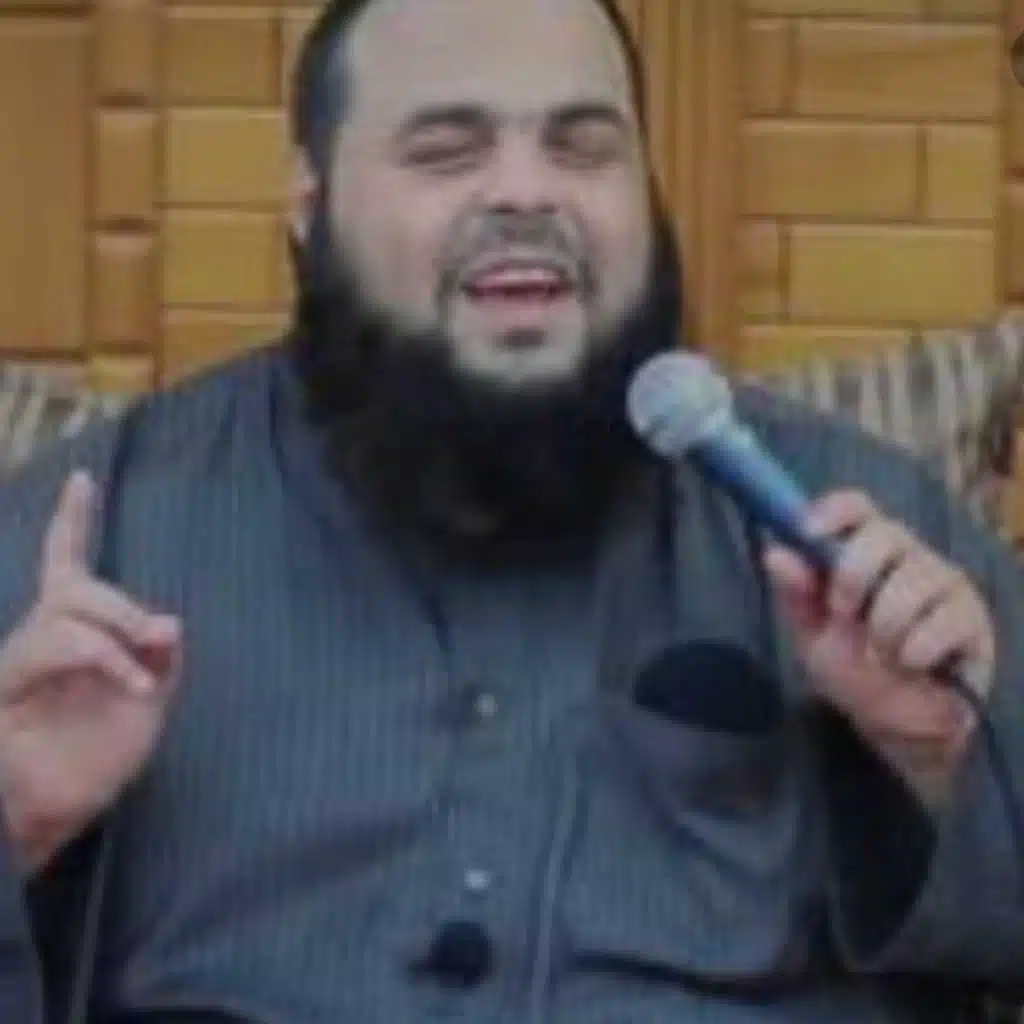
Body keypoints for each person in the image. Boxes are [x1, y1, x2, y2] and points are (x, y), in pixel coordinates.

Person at [0, 0, 1022, 1020]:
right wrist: (18, 819)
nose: (527, 192)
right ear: (310, 206)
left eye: (583, 147)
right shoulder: (97, 535)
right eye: (448, 151)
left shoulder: (848, 532)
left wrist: (942, 762)